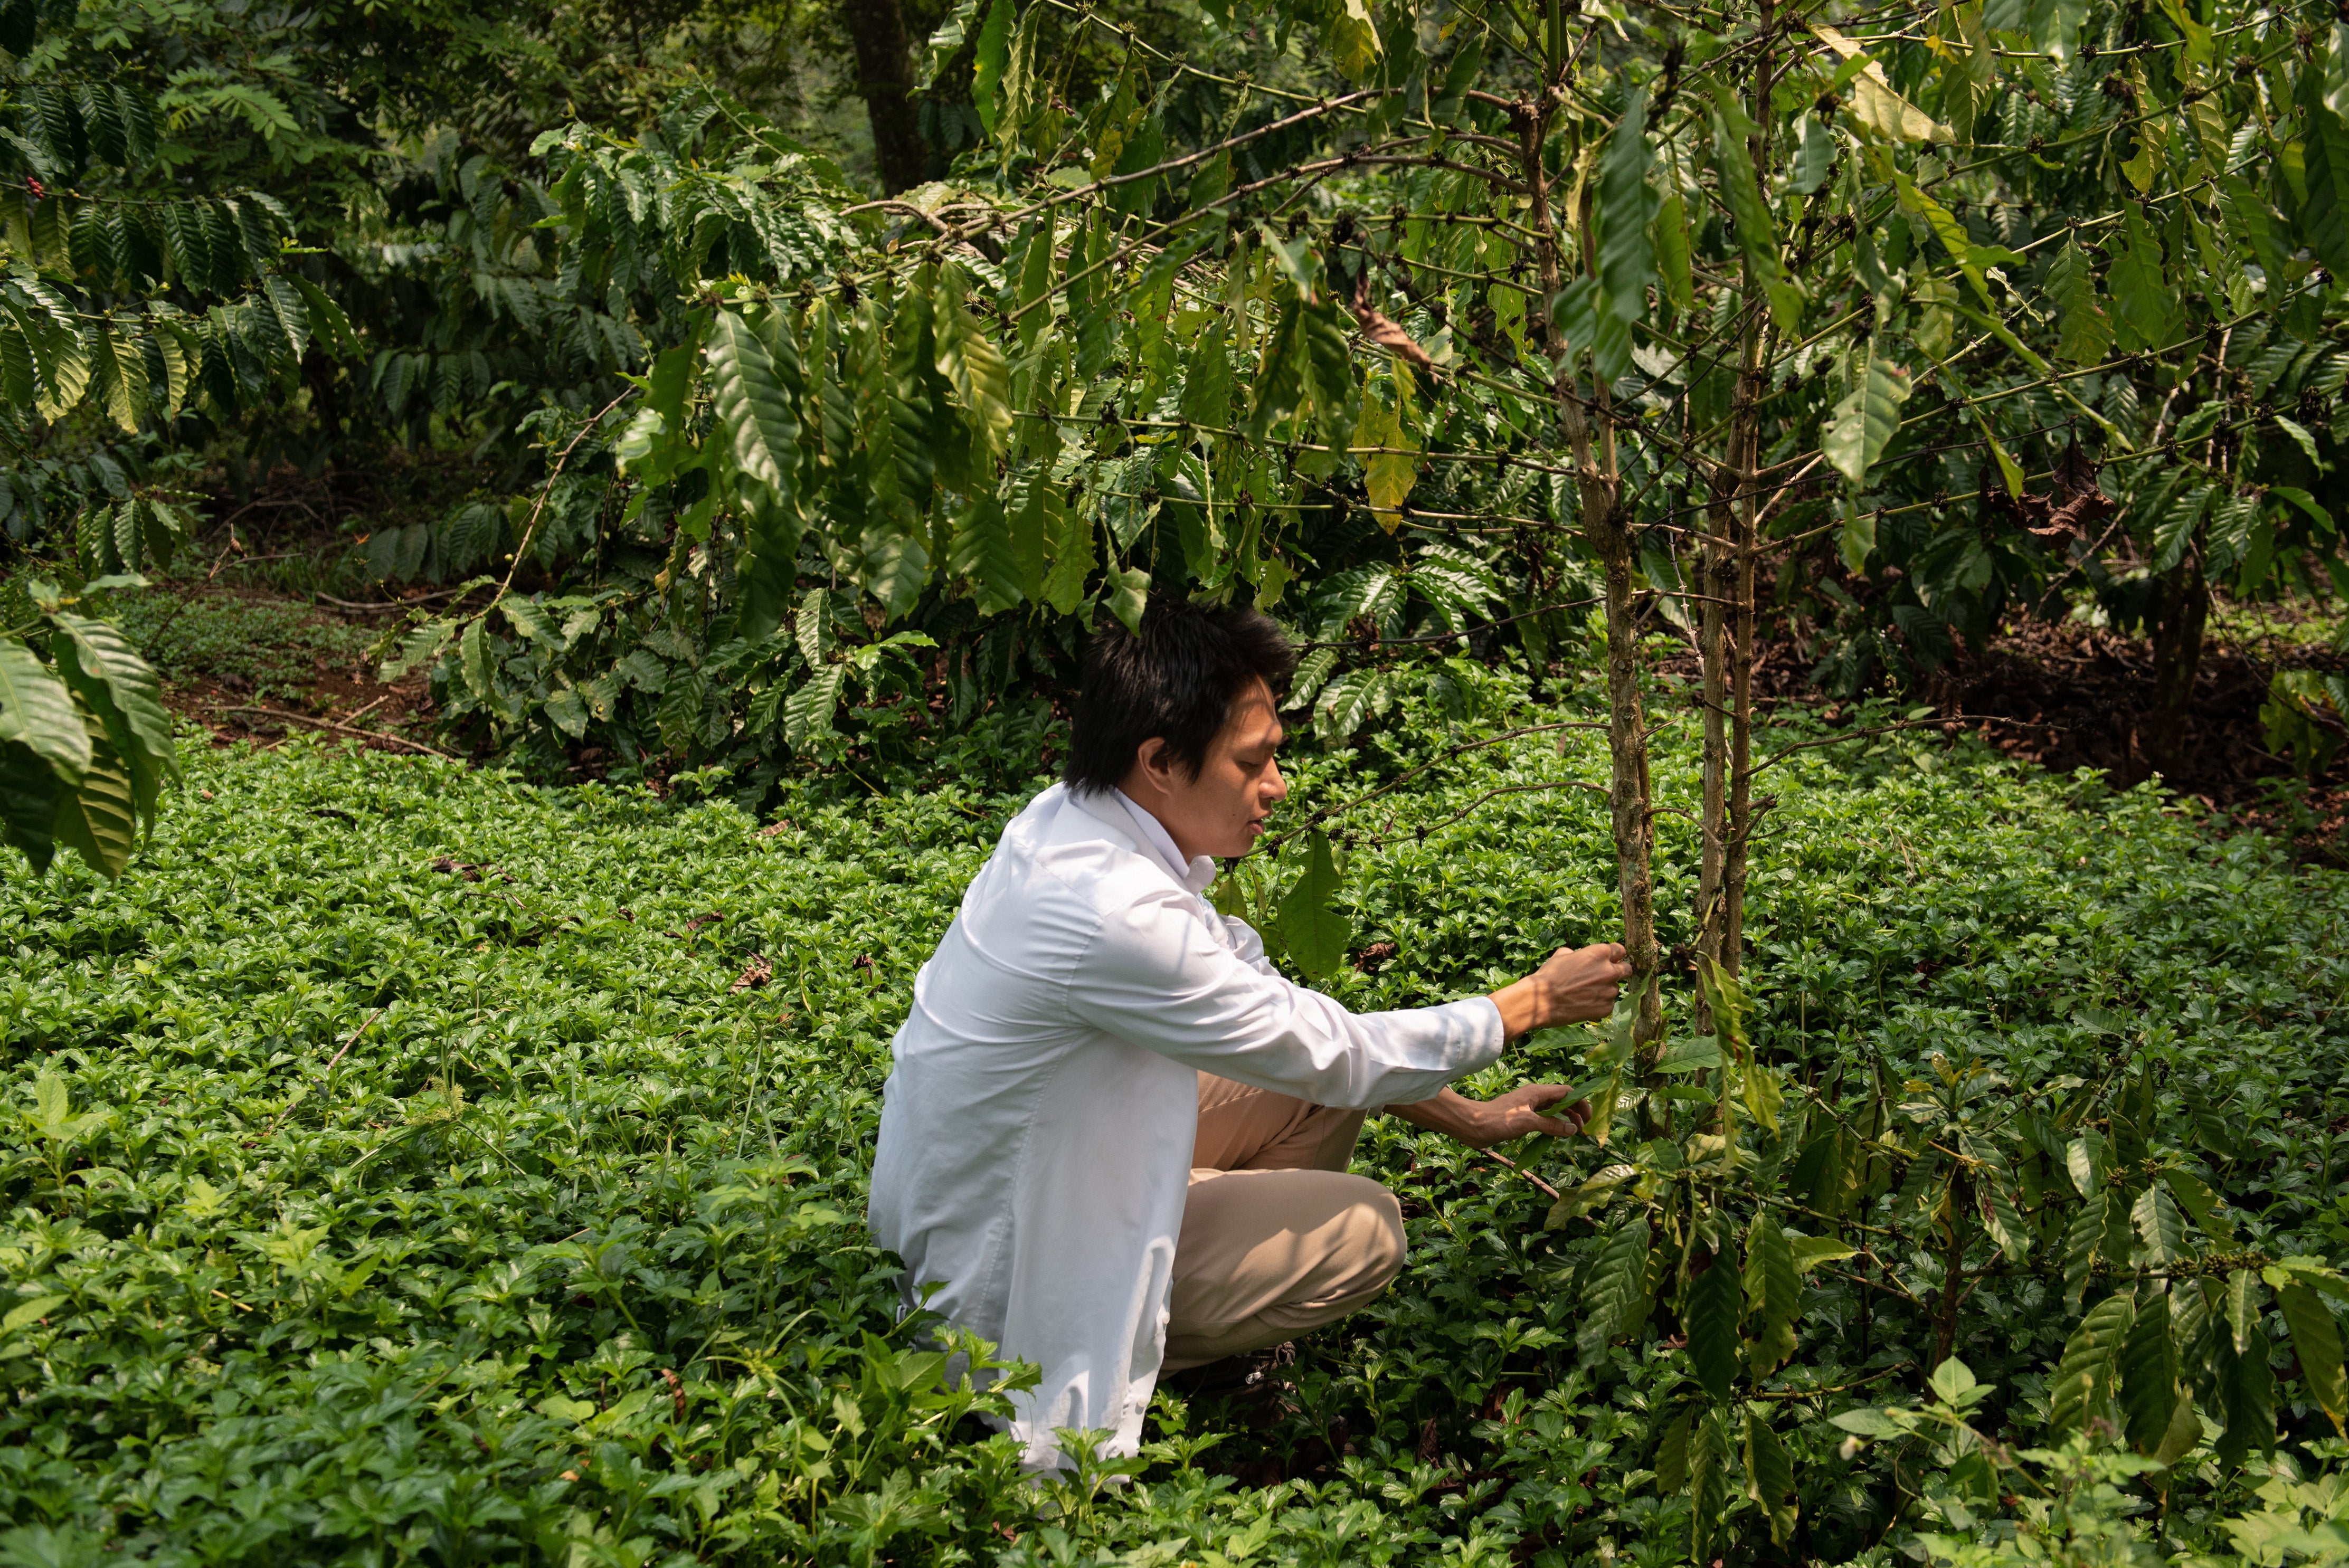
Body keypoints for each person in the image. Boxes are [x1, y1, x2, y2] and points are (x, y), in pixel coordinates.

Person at [866, 595, 1630, 1470]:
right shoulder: (1107, 913)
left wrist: (1473, 1118)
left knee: (1306, 1078)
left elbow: (1291, 1027)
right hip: (1007, 1292)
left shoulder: (1072, 824)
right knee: (1366, 1229)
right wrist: (1528, 1001)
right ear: (1158, 761)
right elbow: (1331, 1052)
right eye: (1252, 761)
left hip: (1027, 1179)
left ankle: (1208, 1266)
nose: (1278, 786)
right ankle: (1202, 1349)